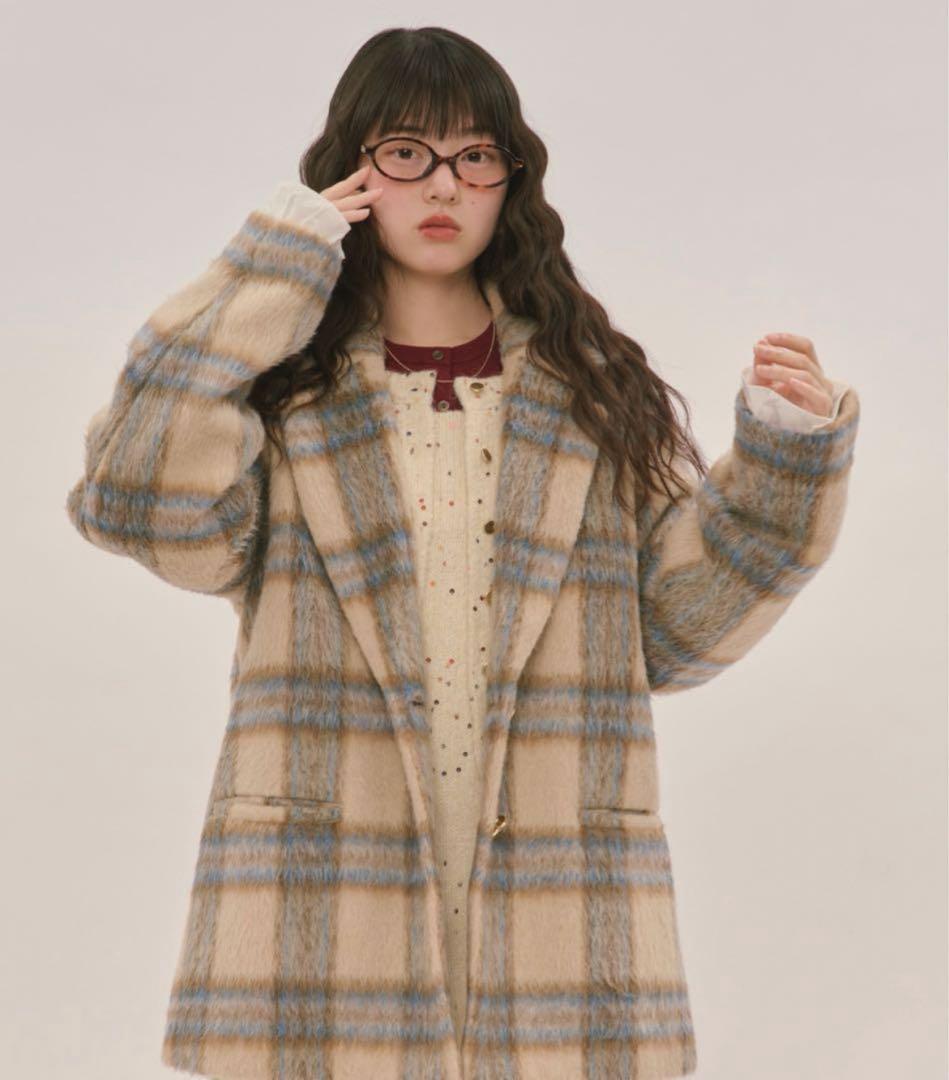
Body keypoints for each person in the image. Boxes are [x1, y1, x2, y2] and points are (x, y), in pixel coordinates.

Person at [64, 25, 859, 1080]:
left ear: (510, 180)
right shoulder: (286, 403)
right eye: (406, 152)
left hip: (559, 903)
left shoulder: (590, 397)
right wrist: (271, 266)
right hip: (321, 895)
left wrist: (785, 458)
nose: (443, 185)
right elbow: (138, 502)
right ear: (350, 173)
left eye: (475, 156)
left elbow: (674, 635)